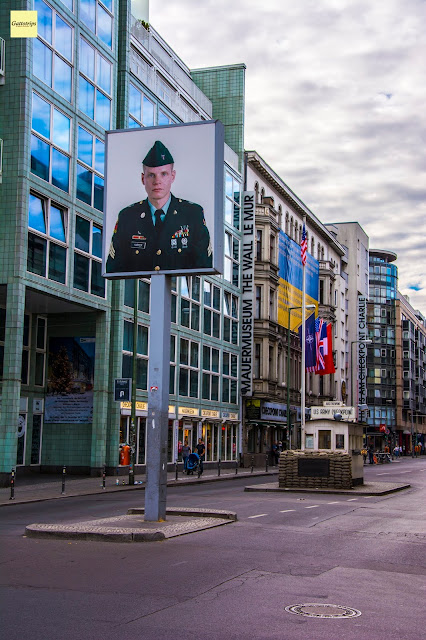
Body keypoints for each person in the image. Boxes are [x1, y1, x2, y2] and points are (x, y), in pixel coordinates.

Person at [106, 140, 213, 274]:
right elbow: (114, 269)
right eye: (151, 175)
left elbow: (204, 267)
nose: (157, 181)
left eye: (163, 174)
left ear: (172, 176)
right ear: (143, 179)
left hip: (178, 293)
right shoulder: (127, 217)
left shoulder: (192, 214)